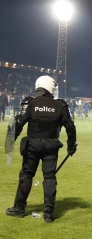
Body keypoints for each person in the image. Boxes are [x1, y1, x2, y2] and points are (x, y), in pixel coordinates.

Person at [5, 75, 77, 223]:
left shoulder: (30, 103)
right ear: (51, 87)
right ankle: (48, 213)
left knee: (26, 175)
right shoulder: (60, 105)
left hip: (32, 145)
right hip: (51, 146)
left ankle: (19, 208)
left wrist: (10, 142)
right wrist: (71, 145)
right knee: (49, 177)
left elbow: (18, 123)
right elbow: (70, 127)